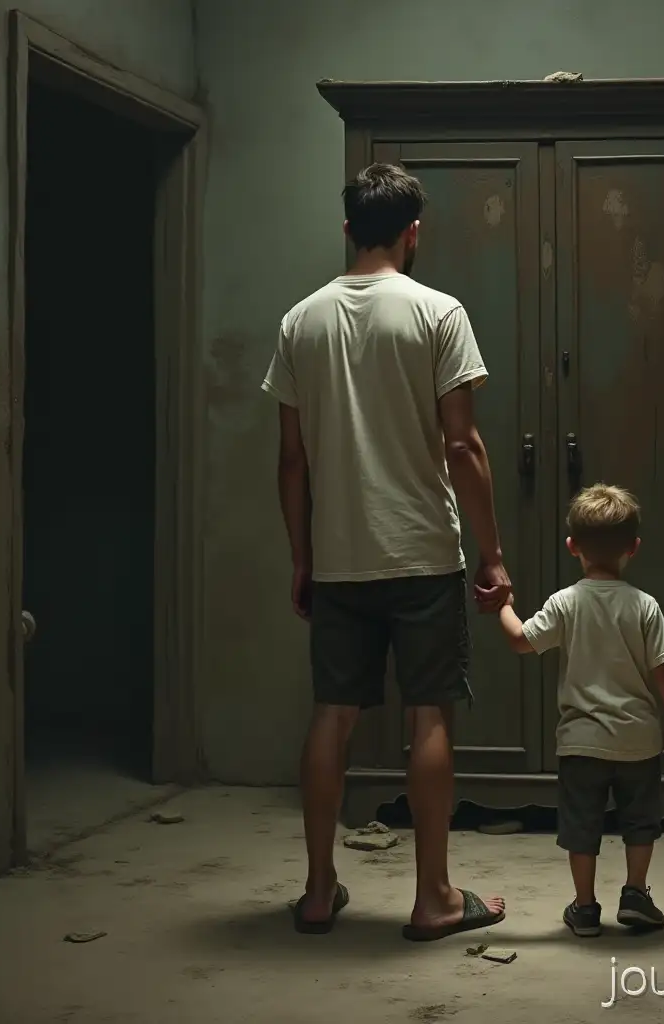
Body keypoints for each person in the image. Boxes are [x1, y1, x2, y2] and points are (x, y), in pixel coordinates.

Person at [262, 162, 511, 940]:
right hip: (425, 556)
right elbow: (464, 445)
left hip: (340, 556)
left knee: (332, 716)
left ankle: (315, 890)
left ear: (347, 230)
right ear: (412, 233)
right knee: (428, 713)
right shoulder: (438, 312)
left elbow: (292, 461)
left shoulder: (300, 321)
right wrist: (493, 553)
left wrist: (302, 556)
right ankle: (433, 897)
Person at [496, 483, 664, 937]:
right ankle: (636, 894)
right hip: (638, 741)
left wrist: (503, 605)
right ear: (634, 549)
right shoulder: (645, 606)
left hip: (581, 742)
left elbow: (522, 640)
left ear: (572, 546)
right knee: (641, 821)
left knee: (581, 825)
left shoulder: (566, 602)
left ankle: (584, 907)